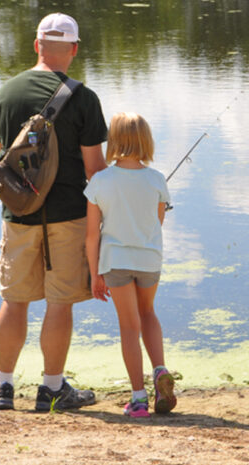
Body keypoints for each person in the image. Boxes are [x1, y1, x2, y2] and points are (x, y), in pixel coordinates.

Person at [0, 12, 108, 412]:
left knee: (14, 300)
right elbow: (95, 171)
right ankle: (52, 388)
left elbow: (2, 164)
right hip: (69, 216)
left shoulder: (5, 95)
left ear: (37, 45)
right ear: (72, 50)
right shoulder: (84, 98)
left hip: (18, 215)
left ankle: (3, 388)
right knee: (60, 302)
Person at [85, 112, 177, 417]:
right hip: (149, 259)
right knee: (148, 312)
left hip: (115, 262)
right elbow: (158, 222)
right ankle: (160, 371)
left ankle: (138, 399)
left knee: (128, 326)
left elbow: (91, 236)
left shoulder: (100, 181)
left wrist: (95, 274)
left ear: (113, 141)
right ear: (145, 140)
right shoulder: (157, 179)